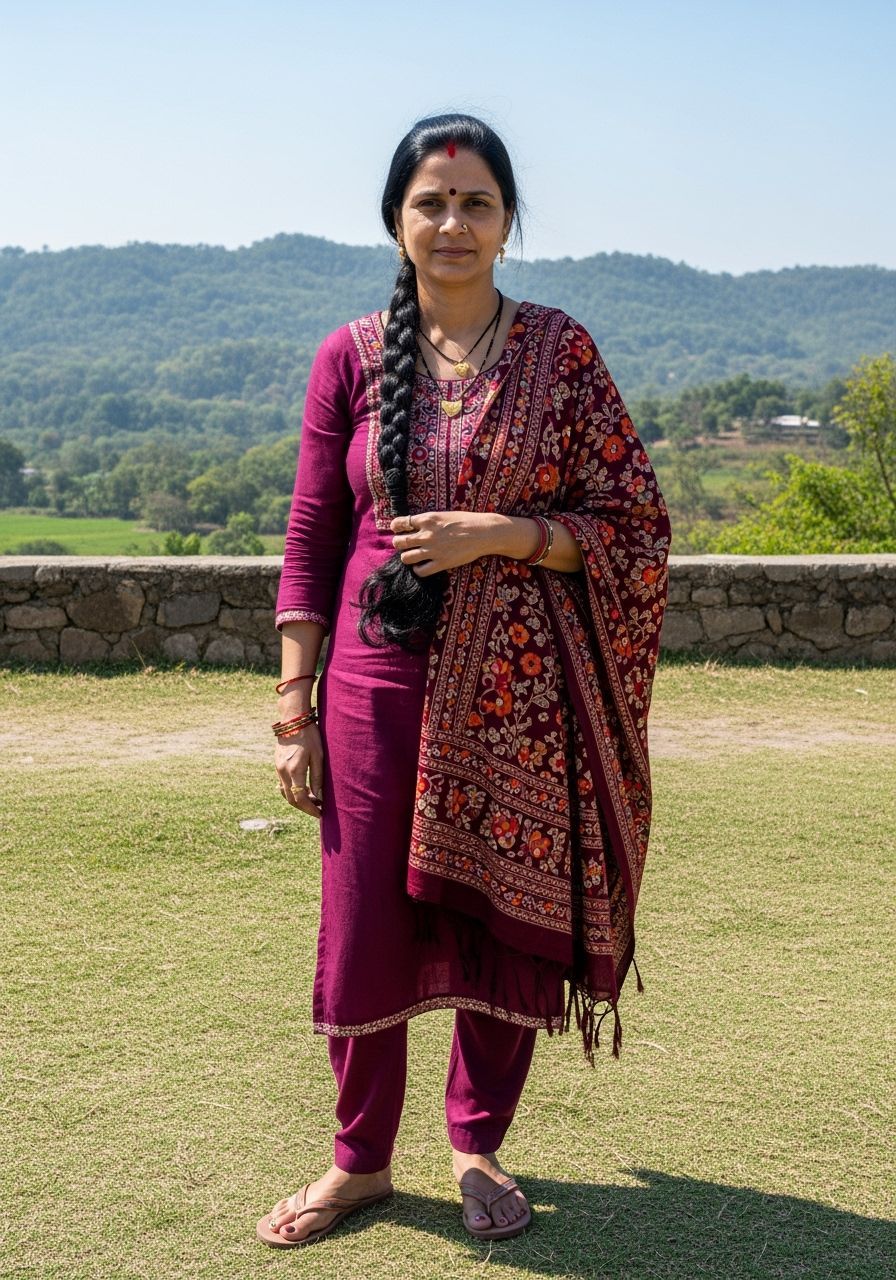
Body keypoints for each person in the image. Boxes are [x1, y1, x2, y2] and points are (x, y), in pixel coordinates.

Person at [257, 113, 671, 1249]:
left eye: (475, 202)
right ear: (397, 218)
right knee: (362, 924)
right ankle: (359, 1162)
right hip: (373, 685)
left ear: (505, 221)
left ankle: (476, 1142)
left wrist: (505, 532)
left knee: (506, 917)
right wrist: (293, 704)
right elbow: (309, 534)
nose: (452, 223)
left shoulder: (559, 351)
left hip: (517, 697)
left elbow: (632, 522)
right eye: (431, 203)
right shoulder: (348, 353)